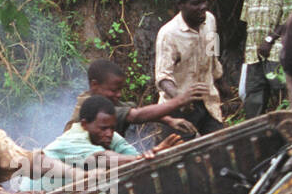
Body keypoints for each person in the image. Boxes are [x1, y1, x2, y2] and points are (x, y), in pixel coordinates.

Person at [155, 0, 225, 137]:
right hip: (178, 108)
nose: (203, 7)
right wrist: (180, 98)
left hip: (208, 101)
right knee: (178, 155)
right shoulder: (168, 34)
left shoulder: (210, 20)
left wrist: (220, 81)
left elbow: (213, 53)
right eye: (196, 3)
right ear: (180, 5)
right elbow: (163, 77)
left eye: (204, 2)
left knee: (219, 145)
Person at [64, 59, 202, 139]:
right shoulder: (93, 108)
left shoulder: (106, 101)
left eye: (120, 90)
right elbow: (135, 116)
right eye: (113, 90)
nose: (118, 94)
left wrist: (170, 120)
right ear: (95, 85)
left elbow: (135, 110)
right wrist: (179, 100)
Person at [240, 0, 292, 117]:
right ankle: (254, 133)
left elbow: (289, 20)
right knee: (254, 97)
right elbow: (246, 18)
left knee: (279, 91)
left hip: (275, 50)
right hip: (253, 52)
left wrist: (269, 40)